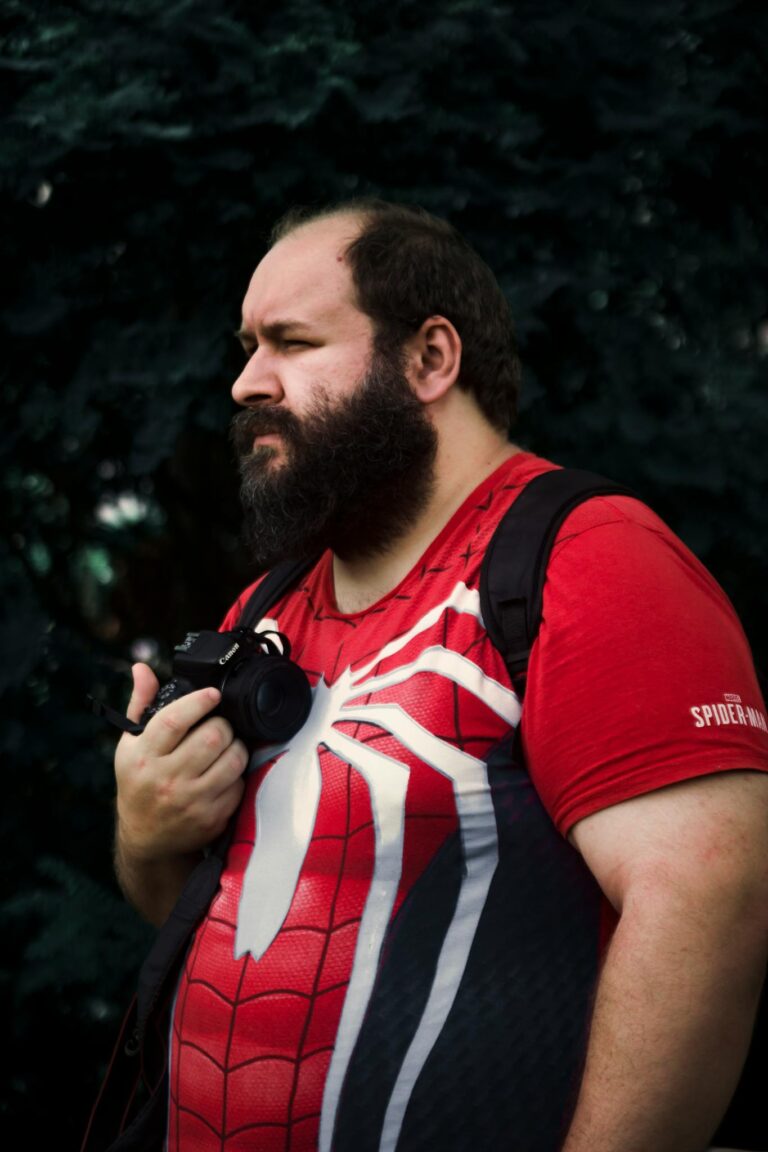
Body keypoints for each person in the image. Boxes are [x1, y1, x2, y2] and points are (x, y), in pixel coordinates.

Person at [113, 200, 768, 1152]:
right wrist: (144, 834)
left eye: (292, 342)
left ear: (429, 358)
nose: (246, 382)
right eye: (248, 348)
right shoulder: (265, 608)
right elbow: (212, 920)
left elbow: (712, 907)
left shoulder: (590, 561)